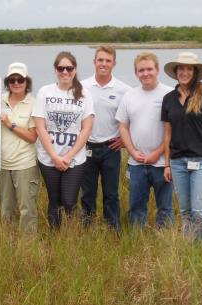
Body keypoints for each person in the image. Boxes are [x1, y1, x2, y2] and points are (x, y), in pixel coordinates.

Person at [162, 52, 202, 250]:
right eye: (181, 68)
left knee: (200, 211)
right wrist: (167, 164)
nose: (184, 72)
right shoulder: (168, 99)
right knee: (186, 211)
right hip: (177, 163)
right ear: (176, 71)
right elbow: (168, 135)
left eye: (189, 69)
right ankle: (190, 250)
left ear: (195, 72)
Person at [32, 51, 94, 229]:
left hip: (74, 159)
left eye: (69, 68)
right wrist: (54, 156)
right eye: (61, 68)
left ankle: (72, 232)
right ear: (55, 70)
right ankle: (55, 236)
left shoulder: (84, 94)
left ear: (75, 70)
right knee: (55, 200)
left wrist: (68, 156)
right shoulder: (45, 92)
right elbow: (40, 127)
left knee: (69, 200)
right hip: (48, 158)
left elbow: (86, 129)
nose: (65, 72)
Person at [115, 52, 174, 228]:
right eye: (141, 70)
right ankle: (136, 240)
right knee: (136, 207)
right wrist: (132, 151)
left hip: (162, 163)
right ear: (136, 73)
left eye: (149, 69)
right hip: (137, 163)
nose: (145, 73)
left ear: (157, 70)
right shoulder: (129, 96)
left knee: (165, 208)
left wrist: (157, 153)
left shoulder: (170, 94)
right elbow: (123, 126)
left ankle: (165, 241)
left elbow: (174, 130)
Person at [80, 46, 131, 229]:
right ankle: (87, 230)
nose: (104, 64)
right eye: (100, 60)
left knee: (111, 194)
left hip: (111, 148)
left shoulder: (124, 90)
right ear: (94, 62)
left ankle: (113, 230)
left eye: (108, 61)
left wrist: (126, 140)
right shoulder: (82, 87)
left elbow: (135, 116)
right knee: (87, 193)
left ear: (114, 64)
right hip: (87, 147)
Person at [0, 62, 40, 233]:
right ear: (7, 81)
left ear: (26, 81)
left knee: (27, 208)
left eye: (20, 79)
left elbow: (32, 137)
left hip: (25, 164)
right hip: (1, 164)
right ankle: (6, 242)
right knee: (6, 208)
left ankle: (28, 247)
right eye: (12, 79)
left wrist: (10, 124)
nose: (16, 83)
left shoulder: (34, 103)